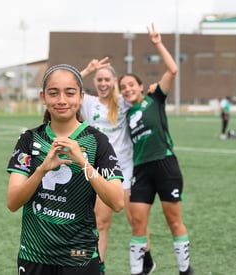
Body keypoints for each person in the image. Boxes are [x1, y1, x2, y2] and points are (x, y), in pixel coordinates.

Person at [6, 64, 124, 275]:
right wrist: (41, 170)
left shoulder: (98, 142)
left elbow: (117, 201)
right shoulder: (28, 140)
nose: (61, 100)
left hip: (78, 254)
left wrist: (83, 162)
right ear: (43, 97)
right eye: (54, 93)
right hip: (34, 253)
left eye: (69, 93)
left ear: (81, 98)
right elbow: (13, 202)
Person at [118, 24, 194, 275]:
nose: (127, 89)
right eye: (124, 87)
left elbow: (173, 70)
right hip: (140, 171)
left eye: (131, 85)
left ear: (141, 86)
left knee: (174, 221)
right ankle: (138, 271)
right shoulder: (126, 115)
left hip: (165, 165)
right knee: (137, 223)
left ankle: (185, 270)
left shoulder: (155, 99)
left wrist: (158, 44)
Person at [80, 59, 155, 275]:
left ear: (114, 81)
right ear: (95, 81)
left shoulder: (124, 101)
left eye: (107, 79)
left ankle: (145, 259)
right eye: (99, 79)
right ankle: (99, 267)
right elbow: (71, 85)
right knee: (101, 223)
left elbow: (145, 99)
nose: (103, 83)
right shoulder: (88, 102)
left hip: (126, 169)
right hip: (100, 172)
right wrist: (87, 69)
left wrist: (150, 90)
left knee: (135, 219)